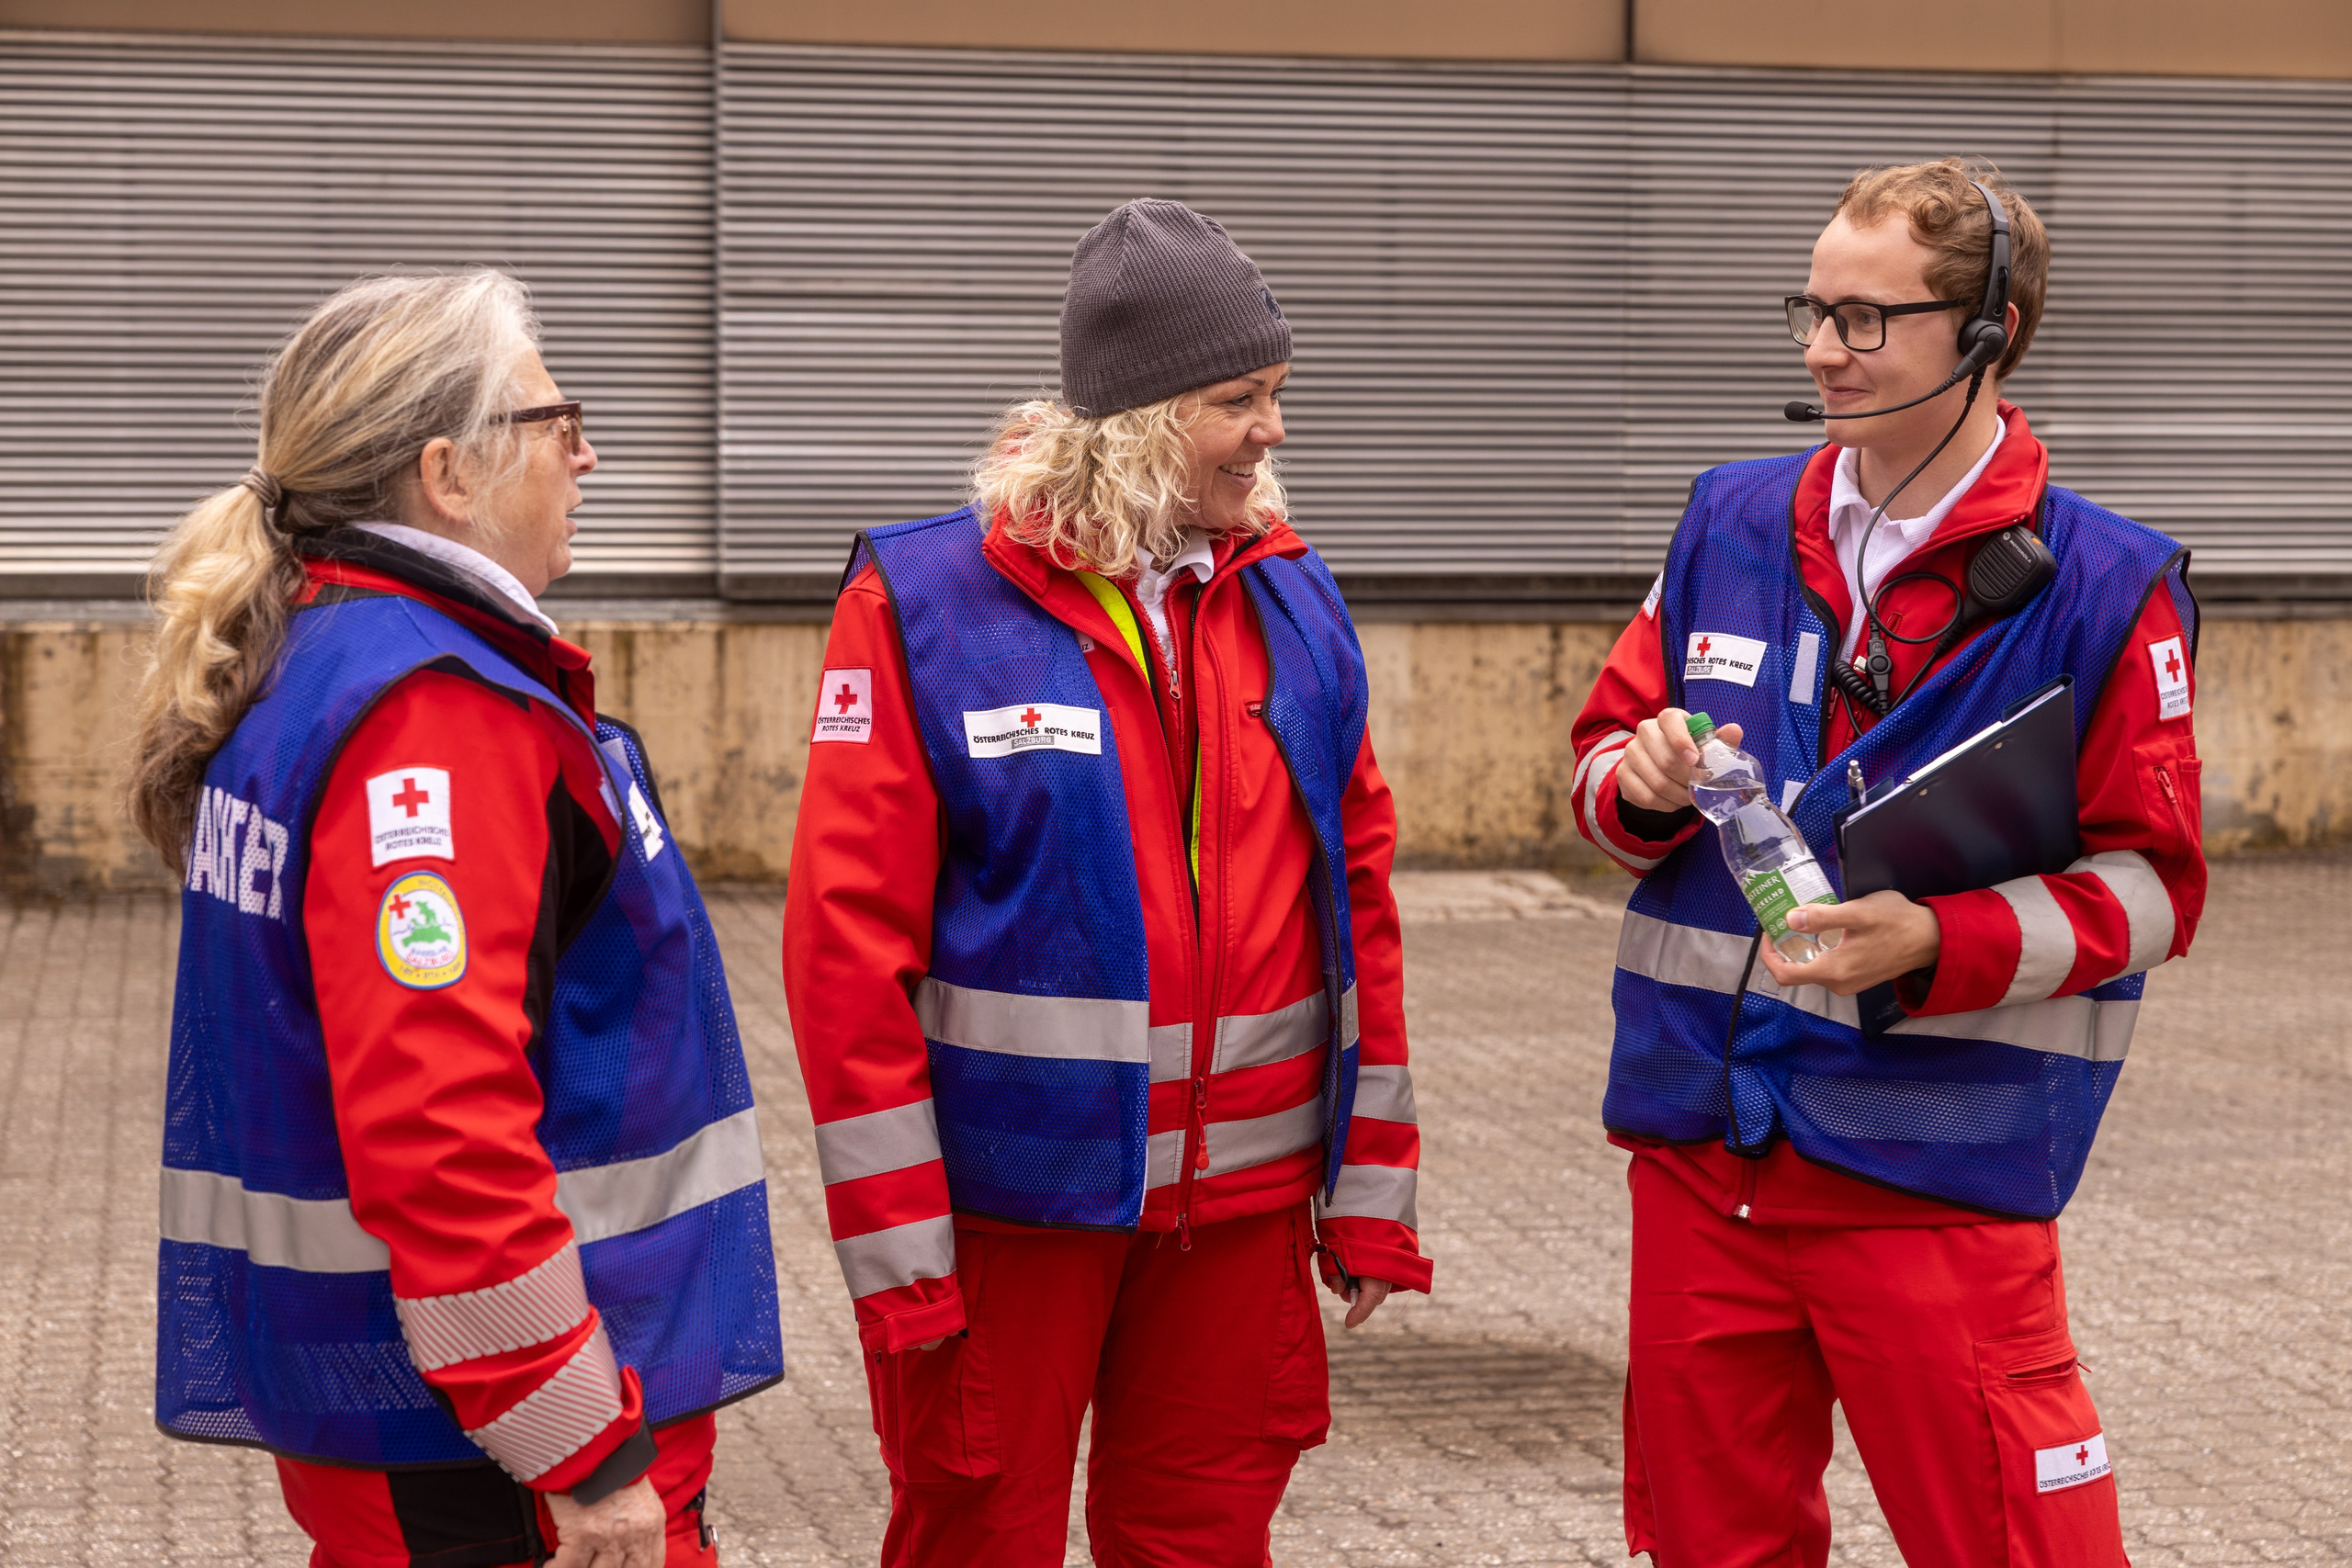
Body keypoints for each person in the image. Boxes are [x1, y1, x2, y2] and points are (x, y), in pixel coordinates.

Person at [1571, 159, 2203, 1565]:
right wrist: (1647, 779)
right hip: (1704, 1160)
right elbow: (1601, 772)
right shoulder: (1729, 521)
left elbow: (2159, 891)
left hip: (1937, 1173)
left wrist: (1938, 942)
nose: (1819, 350)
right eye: (1812, 309)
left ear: (1996, 332)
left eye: (1867, 320)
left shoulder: (2108, 587)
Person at [783, 198, 1430, 1566]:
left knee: (1201, 1541)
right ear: (1136, 417)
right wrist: (900, 1255)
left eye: (1276, 394)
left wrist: (1371, 1178)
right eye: (1239, 398)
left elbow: (1356, 907)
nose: (1274, 431)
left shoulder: (1294, 598)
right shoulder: (929, 603)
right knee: (978, 1534)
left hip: (1242, 1219)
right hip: (1012, 1214)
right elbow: (847, 948)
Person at [130, 271, 785, 1568]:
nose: (588, 455)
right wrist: (579, 1447)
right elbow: (439, 1120)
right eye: (558, 422)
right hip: (485, 1439)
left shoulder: (324, 658)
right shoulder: (433, 713)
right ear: (450, 475)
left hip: (415, 1411)